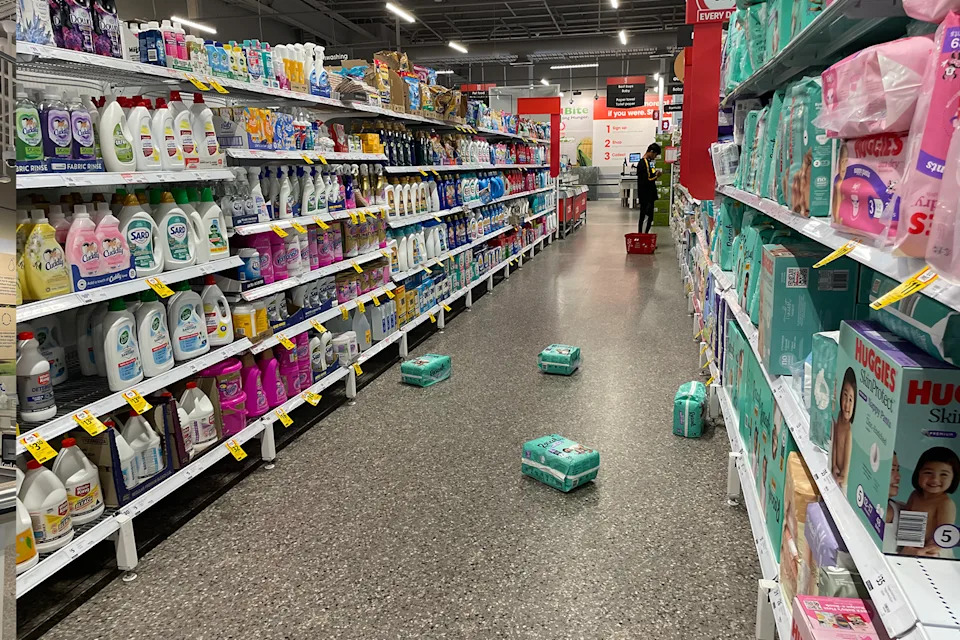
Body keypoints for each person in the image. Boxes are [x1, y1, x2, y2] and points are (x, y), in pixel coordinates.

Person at [636, 142, 662, 234]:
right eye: (655, 155)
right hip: (646, 195)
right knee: (646, 217)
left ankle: (643, 236)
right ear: (651, 152)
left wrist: (654, 174)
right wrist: (656, 176)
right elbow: (648, 179)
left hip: (646, 195)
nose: (655, 157)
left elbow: (648, 176)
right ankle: (643, 236)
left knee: (646, 216)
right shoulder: (645, 163)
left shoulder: (646, 162)